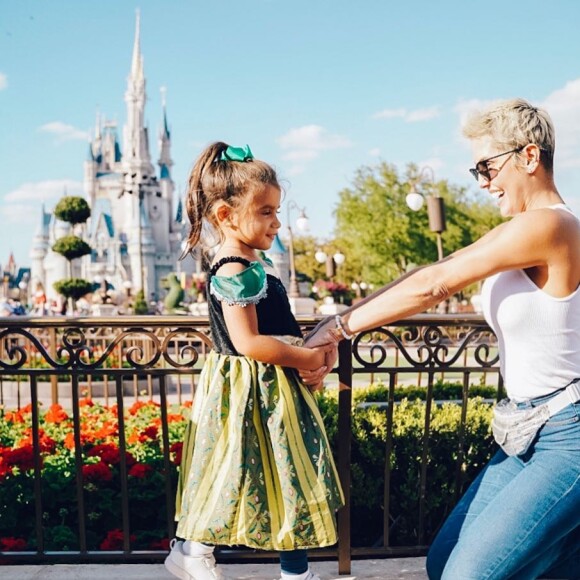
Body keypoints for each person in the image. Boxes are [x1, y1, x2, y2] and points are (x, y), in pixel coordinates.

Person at [306, 98, 580, 579]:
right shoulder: (519, 229)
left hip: (569, 434)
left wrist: (337, 330)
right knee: (443, 561)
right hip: (524, 430)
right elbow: (431, 271)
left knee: (465, 575)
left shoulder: (552, 225)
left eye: (488, 166)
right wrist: (336, 322)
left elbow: (437, 284)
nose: (483, 183)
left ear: (530, 157)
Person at [165, 142, 344, 580]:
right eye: (266, 212)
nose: (276, 222)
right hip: (253, 394)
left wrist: (311, 361)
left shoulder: (250, 264)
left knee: (286, 479)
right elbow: (247, 342)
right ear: (226, 216)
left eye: (277, 211)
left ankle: (289, 571)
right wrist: (306, 357)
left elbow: (273, 328)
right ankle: (192, 550)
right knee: (247, 476)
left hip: (269, 390)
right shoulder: (233, 268)